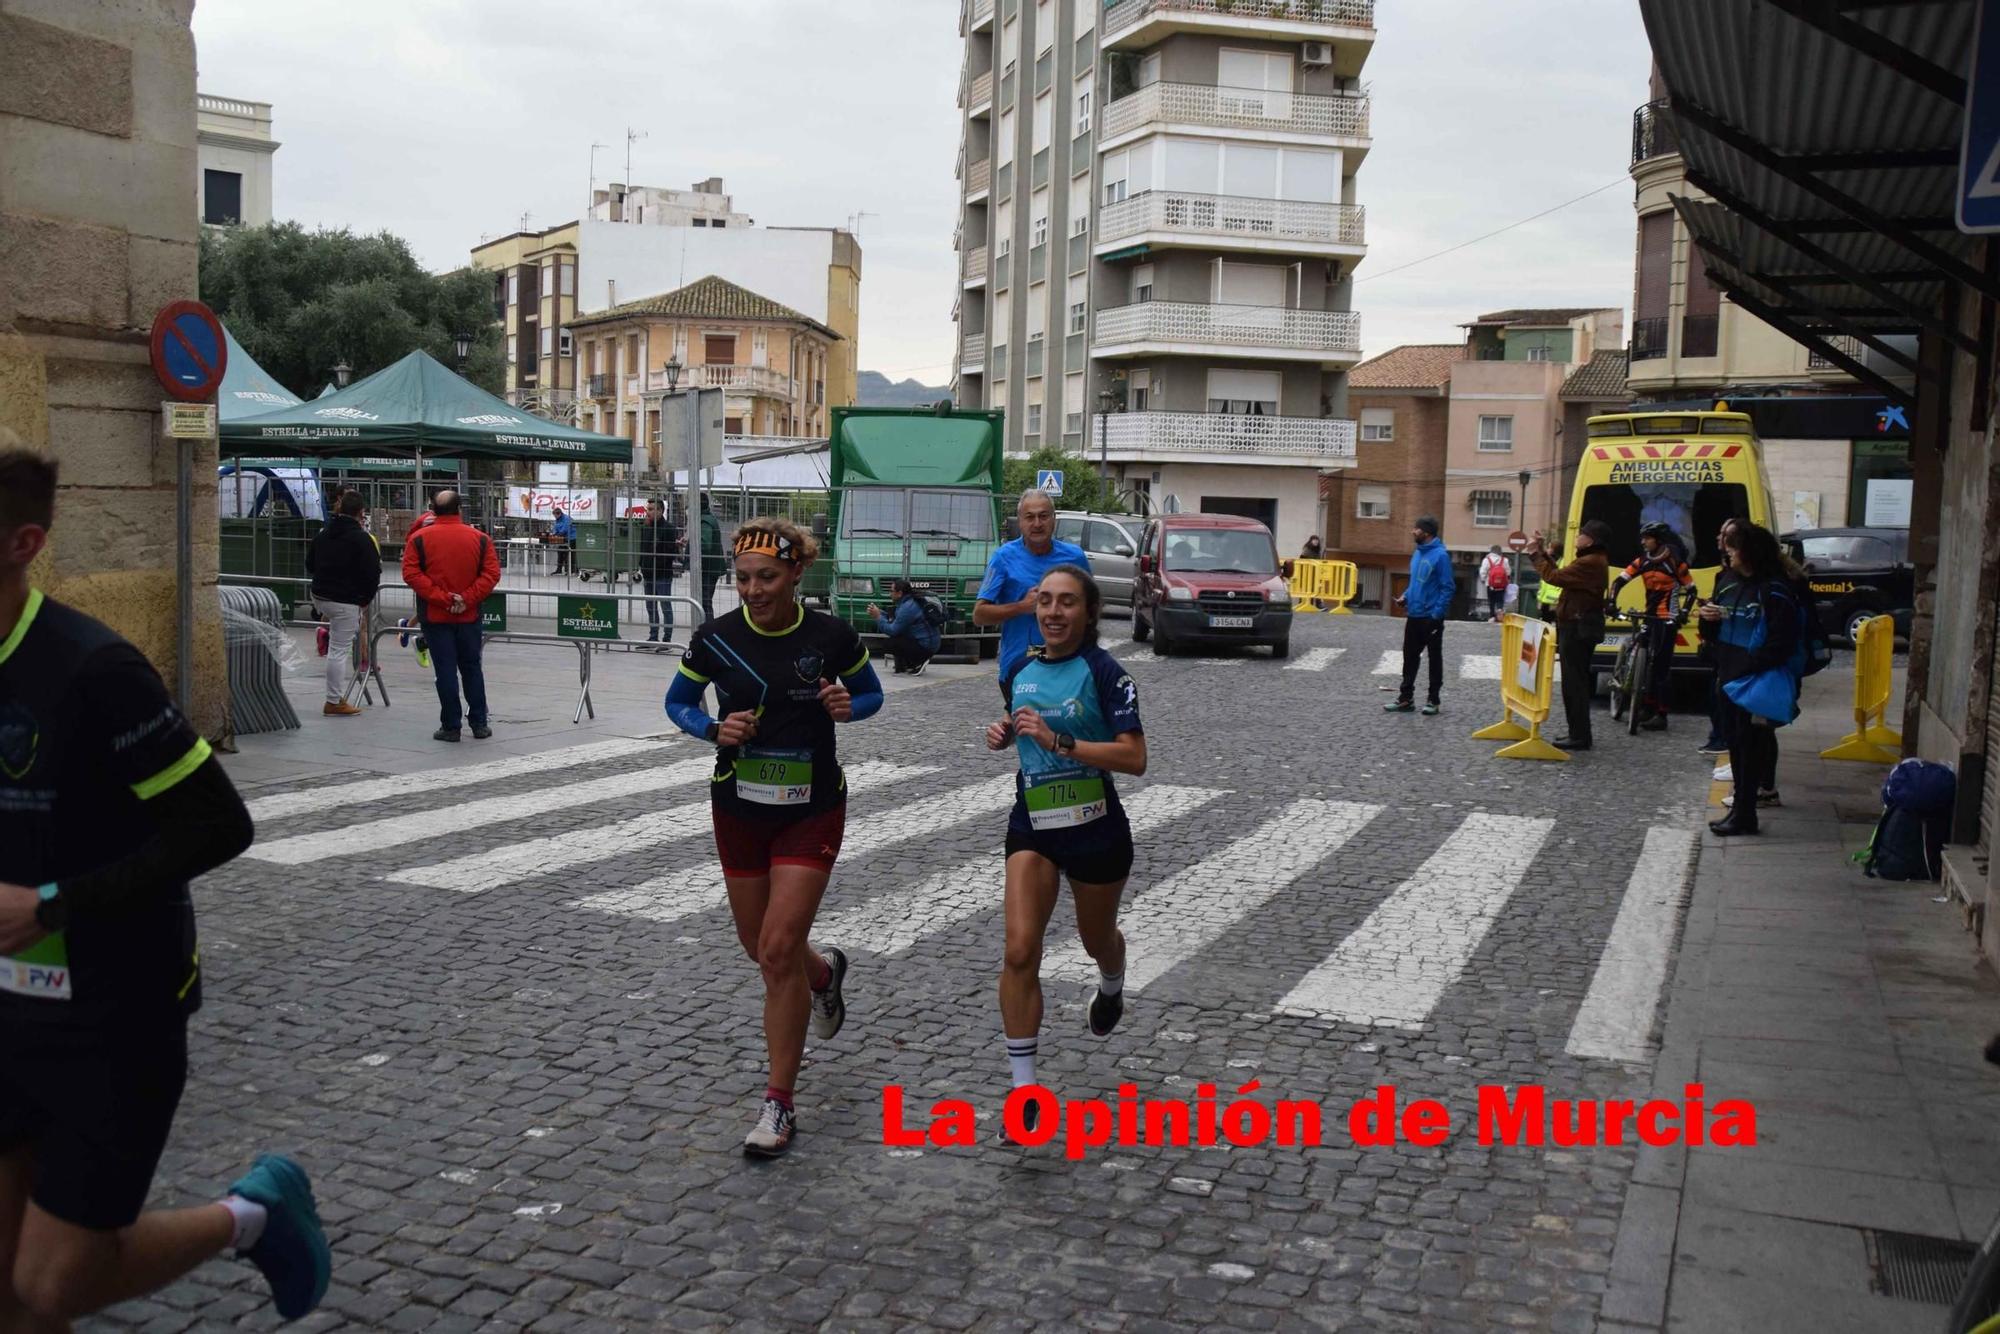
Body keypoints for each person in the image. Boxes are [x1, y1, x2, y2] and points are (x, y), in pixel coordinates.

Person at [0, 446, 331, 1326]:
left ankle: (251, 1217)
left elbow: (219, 826)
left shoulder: (92, 670)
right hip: (4, 1013)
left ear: (22, 542)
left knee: (53, 1283)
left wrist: (50, 906)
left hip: (112, 1013)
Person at [662, 516, 885, 1157]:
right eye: (743, 579)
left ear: (795, 574)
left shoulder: (830, 635)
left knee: (777, 949)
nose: (753, 590)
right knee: (761, 948)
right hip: (738, 806)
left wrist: (850, 704)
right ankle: (824, 977)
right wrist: (710, 729)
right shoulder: (715, 637)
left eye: (766, 577)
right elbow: (677, 703)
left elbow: (871, 696)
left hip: (812, 805)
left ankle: (779, 1105)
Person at [985, 566, 1145, 1133]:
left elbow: (1135, 758)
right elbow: (1023, 722)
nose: (1053, 612)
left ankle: (1111, 981)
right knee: (1021, 950)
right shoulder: (1021, 669)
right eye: (1045, 601)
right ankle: (1025, 1094)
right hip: (1034, 823)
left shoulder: (1105, 673)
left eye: (1067, 603)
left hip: (1095, 825)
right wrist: (1006, 731)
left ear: (1088, 613)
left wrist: (1061, 741)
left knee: (1094, 939)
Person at [1698, 522, 1803, 837]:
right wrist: (1709, 622)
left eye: (1734, 545)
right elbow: (1712, 634)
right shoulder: (1727, 582)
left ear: (1751, 551)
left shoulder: (1774, 589)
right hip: (1728, 676)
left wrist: (1749, 667)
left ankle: (1746, 813)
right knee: (1734, 744)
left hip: (1754, 681)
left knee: (1751, 746)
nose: (1727, 551)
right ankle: (1740, 811)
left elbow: (1782, 640)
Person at [401, 489, 502, 743]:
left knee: (445, 670)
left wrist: (442, 599)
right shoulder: (480, 539)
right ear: (460, 510)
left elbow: (411, 574)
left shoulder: (419, 539)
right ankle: (479, 722)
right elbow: (491, 574)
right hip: (468, 615)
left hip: (436, 616)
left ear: (432, 510)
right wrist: (466, 598)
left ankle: (451, 725)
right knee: (472, 668)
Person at [974, 489, 1090, 695]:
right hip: (1020, 666)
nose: (1037, 524)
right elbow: (979, 615)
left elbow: (1091, 609)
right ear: (1020, 521)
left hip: (1066, 666)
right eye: (1030, 517)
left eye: (1043, 516)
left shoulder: (1075, 557)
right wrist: (1021, 607)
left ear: (1053, 519)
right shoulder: (1003, 558)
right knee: (1027, 726)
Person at [1528, 521, 1613, 751]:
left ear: (1591, 540)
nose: (1577, 537)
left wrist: (1536, 555)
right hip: (1577, 624)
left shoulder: (1590, 562)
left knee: (1574, 683)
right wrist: (1544, 552)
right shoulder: (1591, 560)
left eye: (1582, 534)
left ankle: (1580, 736)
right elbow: (1563, 575)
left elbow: (1554, 578)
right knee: (1575, 682)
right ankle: (1577, 732)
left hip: (1577, 627)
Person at [1609, 521, 1695, 732]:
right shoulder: (1642, 561)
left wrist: (1684, 612)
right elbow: (1618, 582)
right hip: (1649, 615)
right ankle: (1646, 706)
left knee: (1660, 667)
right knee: (1644, 657)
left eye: (1647, 538)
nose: (1643, 542)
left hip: (1668, 618)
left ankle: (1661, 713)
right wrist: (1611, 601)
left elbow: (1692, 591)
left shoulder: (1676, 563)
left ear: (1658, 540)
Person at [306, 489, 381, 718]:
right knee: (338, 651)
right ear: (361, 513)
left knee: (337, 647)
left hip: (320, 595)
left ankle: (335, 698)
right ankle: (334, 700)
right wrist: (364, 600)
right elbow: (372, 573)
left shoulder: (323, 533)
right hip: (346, 601)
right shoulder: (362, 538)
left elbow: (310, 564)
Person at [1386, 516, 1454, 716]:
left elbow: (1448, 587)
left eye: (1416, 529)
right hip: (1414, 614)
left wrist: (1437, 614)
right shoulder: (1417, 553)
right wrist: (1405, 597)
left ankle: (1433, 700)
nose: (1412, 532)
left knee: (1434, 659)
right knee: (1409, 657)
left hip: (1430, 617)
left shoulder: (1441, 556)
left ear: (1427, 532)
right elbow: (1417, 583)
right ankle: (1406, 699)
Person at [868, 579, 940, 675]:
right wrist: (880, 613)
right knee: (897, 638)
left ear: (899, 593)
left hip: (926, 646)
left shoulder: (907, 607)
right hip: (928, 642)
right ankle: (908, 663)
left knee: (890, 644)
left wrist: (878, 617)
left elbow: (892, 630)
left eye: (891, 591)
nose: (890, 594)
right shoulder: (909, 602)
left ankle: (918, 661)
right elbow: (897, 621)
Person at [636, 498, 681, 646]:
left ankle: (667, 639)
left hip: (662, 574)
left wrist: (657, 562)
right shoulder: (646, 527)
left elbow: (670, 552)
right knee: (651, 606)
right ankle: (653, 636)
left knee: (665, 606)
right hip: (648, 573)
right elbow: (643, 548)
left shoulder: (668, 529)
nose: (647, 512)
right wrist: (642, 565)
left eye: (651, 509)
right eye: (647, 509)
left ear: (660, 511)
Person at [697, 496, 727, 621]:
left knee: (704, 603)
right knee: (705, 602)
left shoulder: (704, 521)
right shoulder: (708, 518)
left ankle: (708, 631)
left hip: (707, 568)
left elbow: (704, 545)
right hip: (710, 567)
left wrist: (692, 548)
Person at [1478, 544, 1510, 621]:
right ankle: (1499, 612)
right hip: (1502, 584)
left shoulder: (1487, 560)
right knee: (1500, 600)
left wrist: (1483, 579)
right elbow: (1508, 572)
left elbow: (1483, 571)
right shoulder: (1504, 560)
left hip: (1490, 584)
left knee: (1491, 601)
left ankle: (1492, 616)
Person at [550, 505, 577, 576]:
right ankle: (559, 569)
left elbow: (565, 529)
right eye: (554, 516)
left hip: (572, 538)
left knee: (569, 554)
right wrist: (553, 534)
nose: (555, 517)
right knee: (560, 552)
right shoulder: (557, 520)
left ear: (559, 514)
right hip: (563, 538)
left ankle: (571, 570)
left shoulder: (566, 518)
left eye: (555, 515)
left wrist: (557, 535)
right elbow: (555, 528)